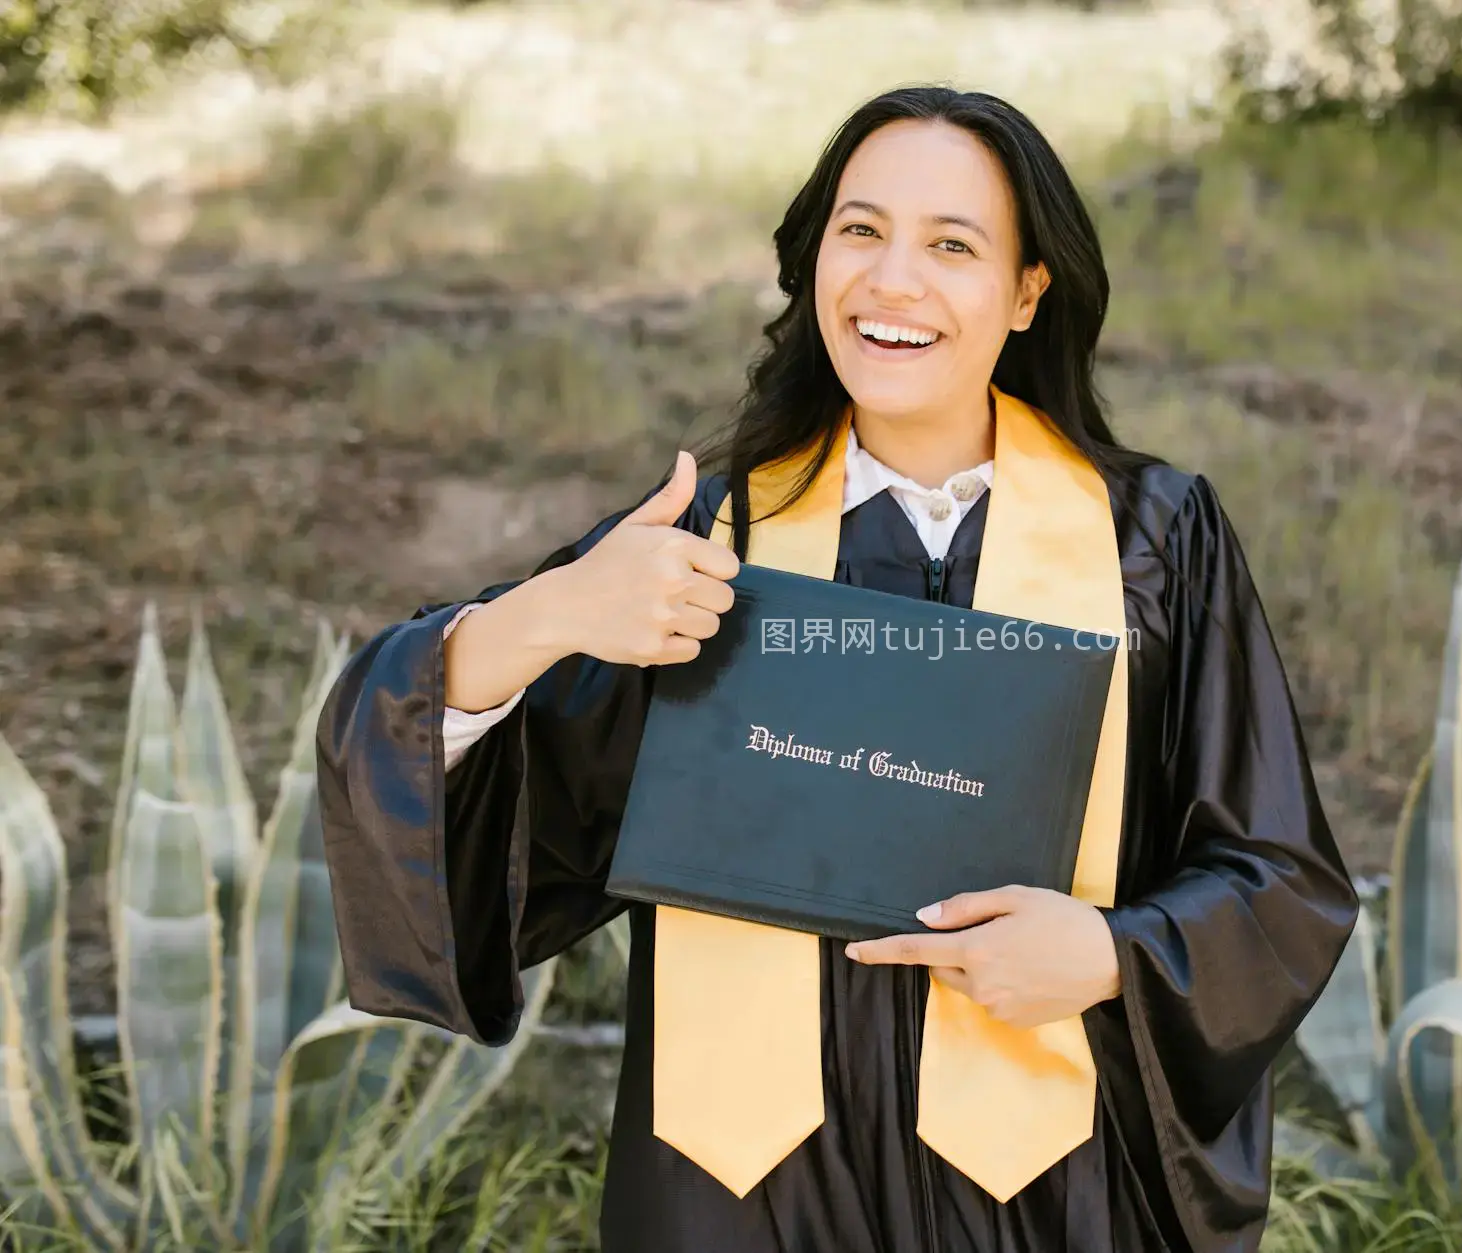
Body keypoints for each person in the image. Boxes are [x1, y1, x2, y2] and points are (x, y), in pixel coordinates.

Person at [316, 85, 1358, 1253]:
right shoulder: (709, 545)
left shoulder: (1151, 545)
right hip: (739, 1195)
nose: (892, 283)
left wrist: (1114, 955)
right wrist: (547, 615)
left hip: (1050, 1196)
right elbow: (449, 785)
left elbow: (1277, 876)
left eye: (951, 245)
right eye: (858, 231)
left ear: (1026, 292)